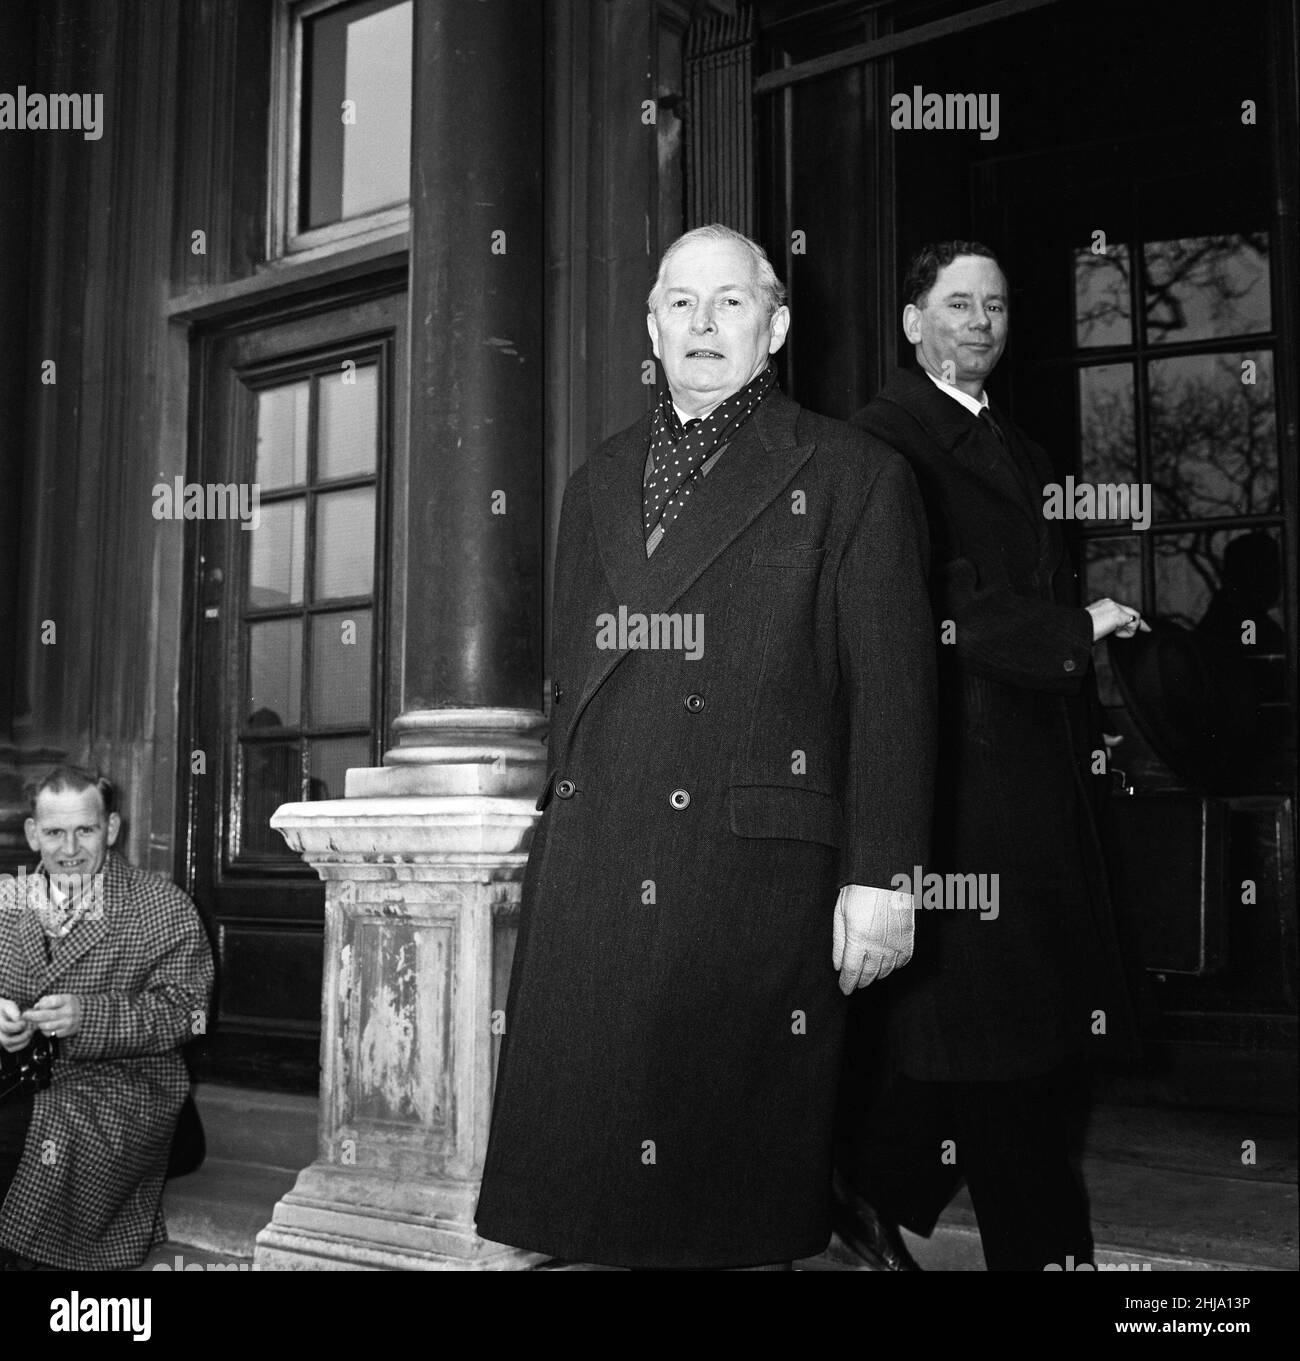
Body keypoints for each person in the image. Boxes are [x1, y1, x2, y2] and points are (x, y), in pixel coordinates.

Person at [474, 224, 936, 1270]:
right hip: (597, 867)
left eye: (731, 302)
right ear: (650, 327)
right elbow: (572, 687)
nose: (703, 324)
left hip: (750, 871)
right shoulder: (595, 477)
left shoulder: (856, 471)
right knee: (586, 1204)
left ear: (774, 325)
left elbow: (898, 696)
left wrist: (885, 880)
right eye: (679, 303)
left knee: (722, 1207)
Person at [836, 241, 1144, 1272]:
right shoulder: (881, 444)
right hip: (957, 779)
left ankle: (864, 1197)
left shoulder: (1008, 440)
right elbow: (937, 609)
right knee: (1002, 1033)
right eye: (958, 304)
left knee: (988, 1029)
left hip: (1024, 772)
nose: (980, 322)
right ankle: (1049, 1251)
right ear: (912, 320)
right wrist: (1074, 626)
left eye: (997, 307)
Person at [0, 766, 213, 1270]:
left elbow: (193, 1014)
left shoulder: (162, 906)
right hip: (19, 1074)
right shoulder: (8, 900)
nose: (69, 848)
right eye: (54, 832)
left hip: (122, 1086)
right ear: (33, 834)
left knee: (15, 1137)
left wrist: (87, 1017)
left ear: (112, 829)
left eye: (86, 830)